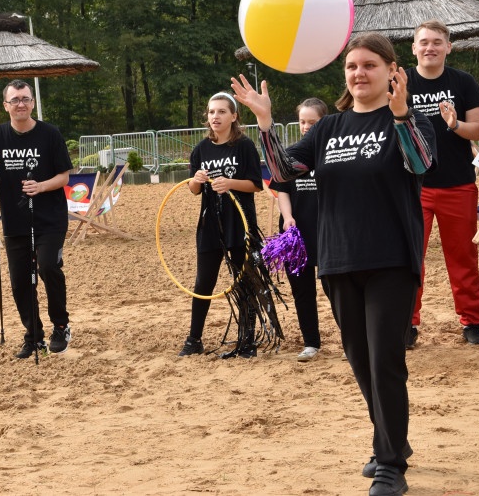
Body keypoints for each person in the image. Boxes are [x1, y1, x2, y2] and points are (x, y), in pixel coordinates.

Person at [233, 33, 436, 496]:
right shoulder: (328, 128)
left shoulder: (408, 118)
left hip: (391, 258)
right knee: (360, 359)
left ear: (391, 71)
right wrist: (265, 124)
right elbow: (282, 173)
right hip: (338, 258)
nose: (359, 73)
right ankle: (393, 443)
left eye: (369, 65)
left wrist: (402, 114)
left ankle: (389, 464)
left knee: (385, 358)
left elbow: (421, 163)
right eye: (352, 67)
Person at [404, 19, 479, 348]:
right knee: (411, 258)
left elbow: (478, 130)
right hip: (414, 187)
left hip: (458, 185)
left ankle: (472, 322)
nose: (430, 47)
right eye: (424, 42)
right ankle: (407, 324)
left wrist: (454, 125)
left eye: (437, 42)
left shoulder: (463, 82)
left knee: (463, 257)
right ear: (414, 48)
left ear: (448, 47)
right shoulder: (402, 82)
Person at [0, 80, 73, 359]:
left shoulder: (49, 134)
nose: (21, 104)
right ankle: (33, 336)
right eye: (15, 100)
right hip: (15, 221)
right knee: (20, 282)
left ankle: (61, 326)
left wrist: (40, 186)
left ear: (32, 103)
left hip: (49, 219)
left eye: (26, 99)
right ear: (6, 106)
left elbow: (64, 177)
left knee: (48, 267)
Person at [178, 92, 264, 358]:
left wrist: (230, 184)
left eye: (222, 112)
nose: (215, 116)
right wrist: (197, 179)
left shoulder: (244, 146)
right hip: (210, 225)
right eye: (212, 112)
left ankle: (247, 340)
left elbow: (255, 185)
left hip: (240, 223)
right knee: (203, 282)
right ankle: (194, 340)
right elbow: (192, 190)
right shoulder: (201, 149)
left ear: (234, 116)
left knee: (244, 281)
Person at [270, 98, 328, 362]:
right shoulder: (290, 154)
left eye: (312, 122)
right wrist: (287, 216)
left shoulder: (332, 153)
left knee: (335, 287)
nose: (306, 127)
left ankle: (353, 340)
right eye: (302, 122)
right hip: (297, 233)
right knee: (302, 290)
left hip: (327, 231)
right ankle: (311, 343)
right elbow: (281, 188)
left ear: (324, 122)